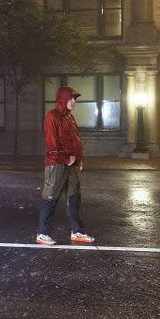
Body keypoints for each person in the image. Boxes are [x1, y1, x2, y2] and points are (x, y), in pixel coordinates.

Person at [36, 86, 95, 246]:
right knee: (50, 197)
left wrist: (78, 160)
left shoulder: (70, 118)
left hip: (72, 164)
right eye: (71, 98)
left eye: (74, 98)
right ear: (63, 99)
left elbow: (76, 140)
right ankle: (43, 233)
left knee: (74, 197)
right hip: (57, 164)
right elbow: (51, 143)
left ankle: (78, 232)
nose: (74, 102)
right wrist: (65, 158)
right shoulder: (52, 117)